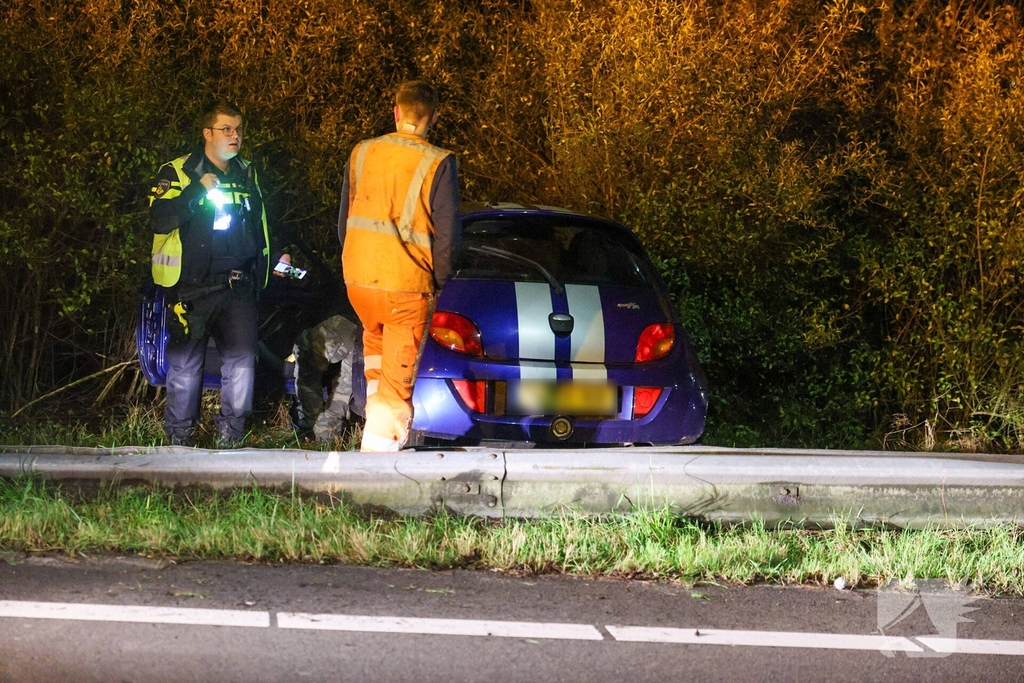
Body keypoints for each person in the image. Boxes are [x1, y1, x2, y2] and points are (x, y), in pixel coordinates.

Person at [338, 80, 461, 451]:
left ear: (396, 111)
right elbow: (448, 234)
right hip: (405, 287)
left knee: (376, 355)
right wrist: (439, 280)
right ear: (433, 117)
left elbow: (344, 221)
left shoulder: (362, 152)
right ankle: (379, 472)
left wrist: (355, 262)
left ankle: (370, 434)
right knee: (396, 383)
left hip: (359, 282)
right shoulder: (439, 161)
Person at [149, 102, 280, 448]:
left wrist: (272, 259)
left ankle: (230, 439)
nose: (235, 136)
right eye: (226, 129)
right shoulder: (179, 171)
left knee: (241, 363)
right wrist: (197, 191)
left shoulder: (247, 172)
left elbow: (260, 223)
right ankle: (179, 441)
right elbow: (159, 219)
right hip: (192, 288)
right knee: (185, 365)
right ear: (207, 133)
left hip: (239, 286)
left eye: (238, 129)